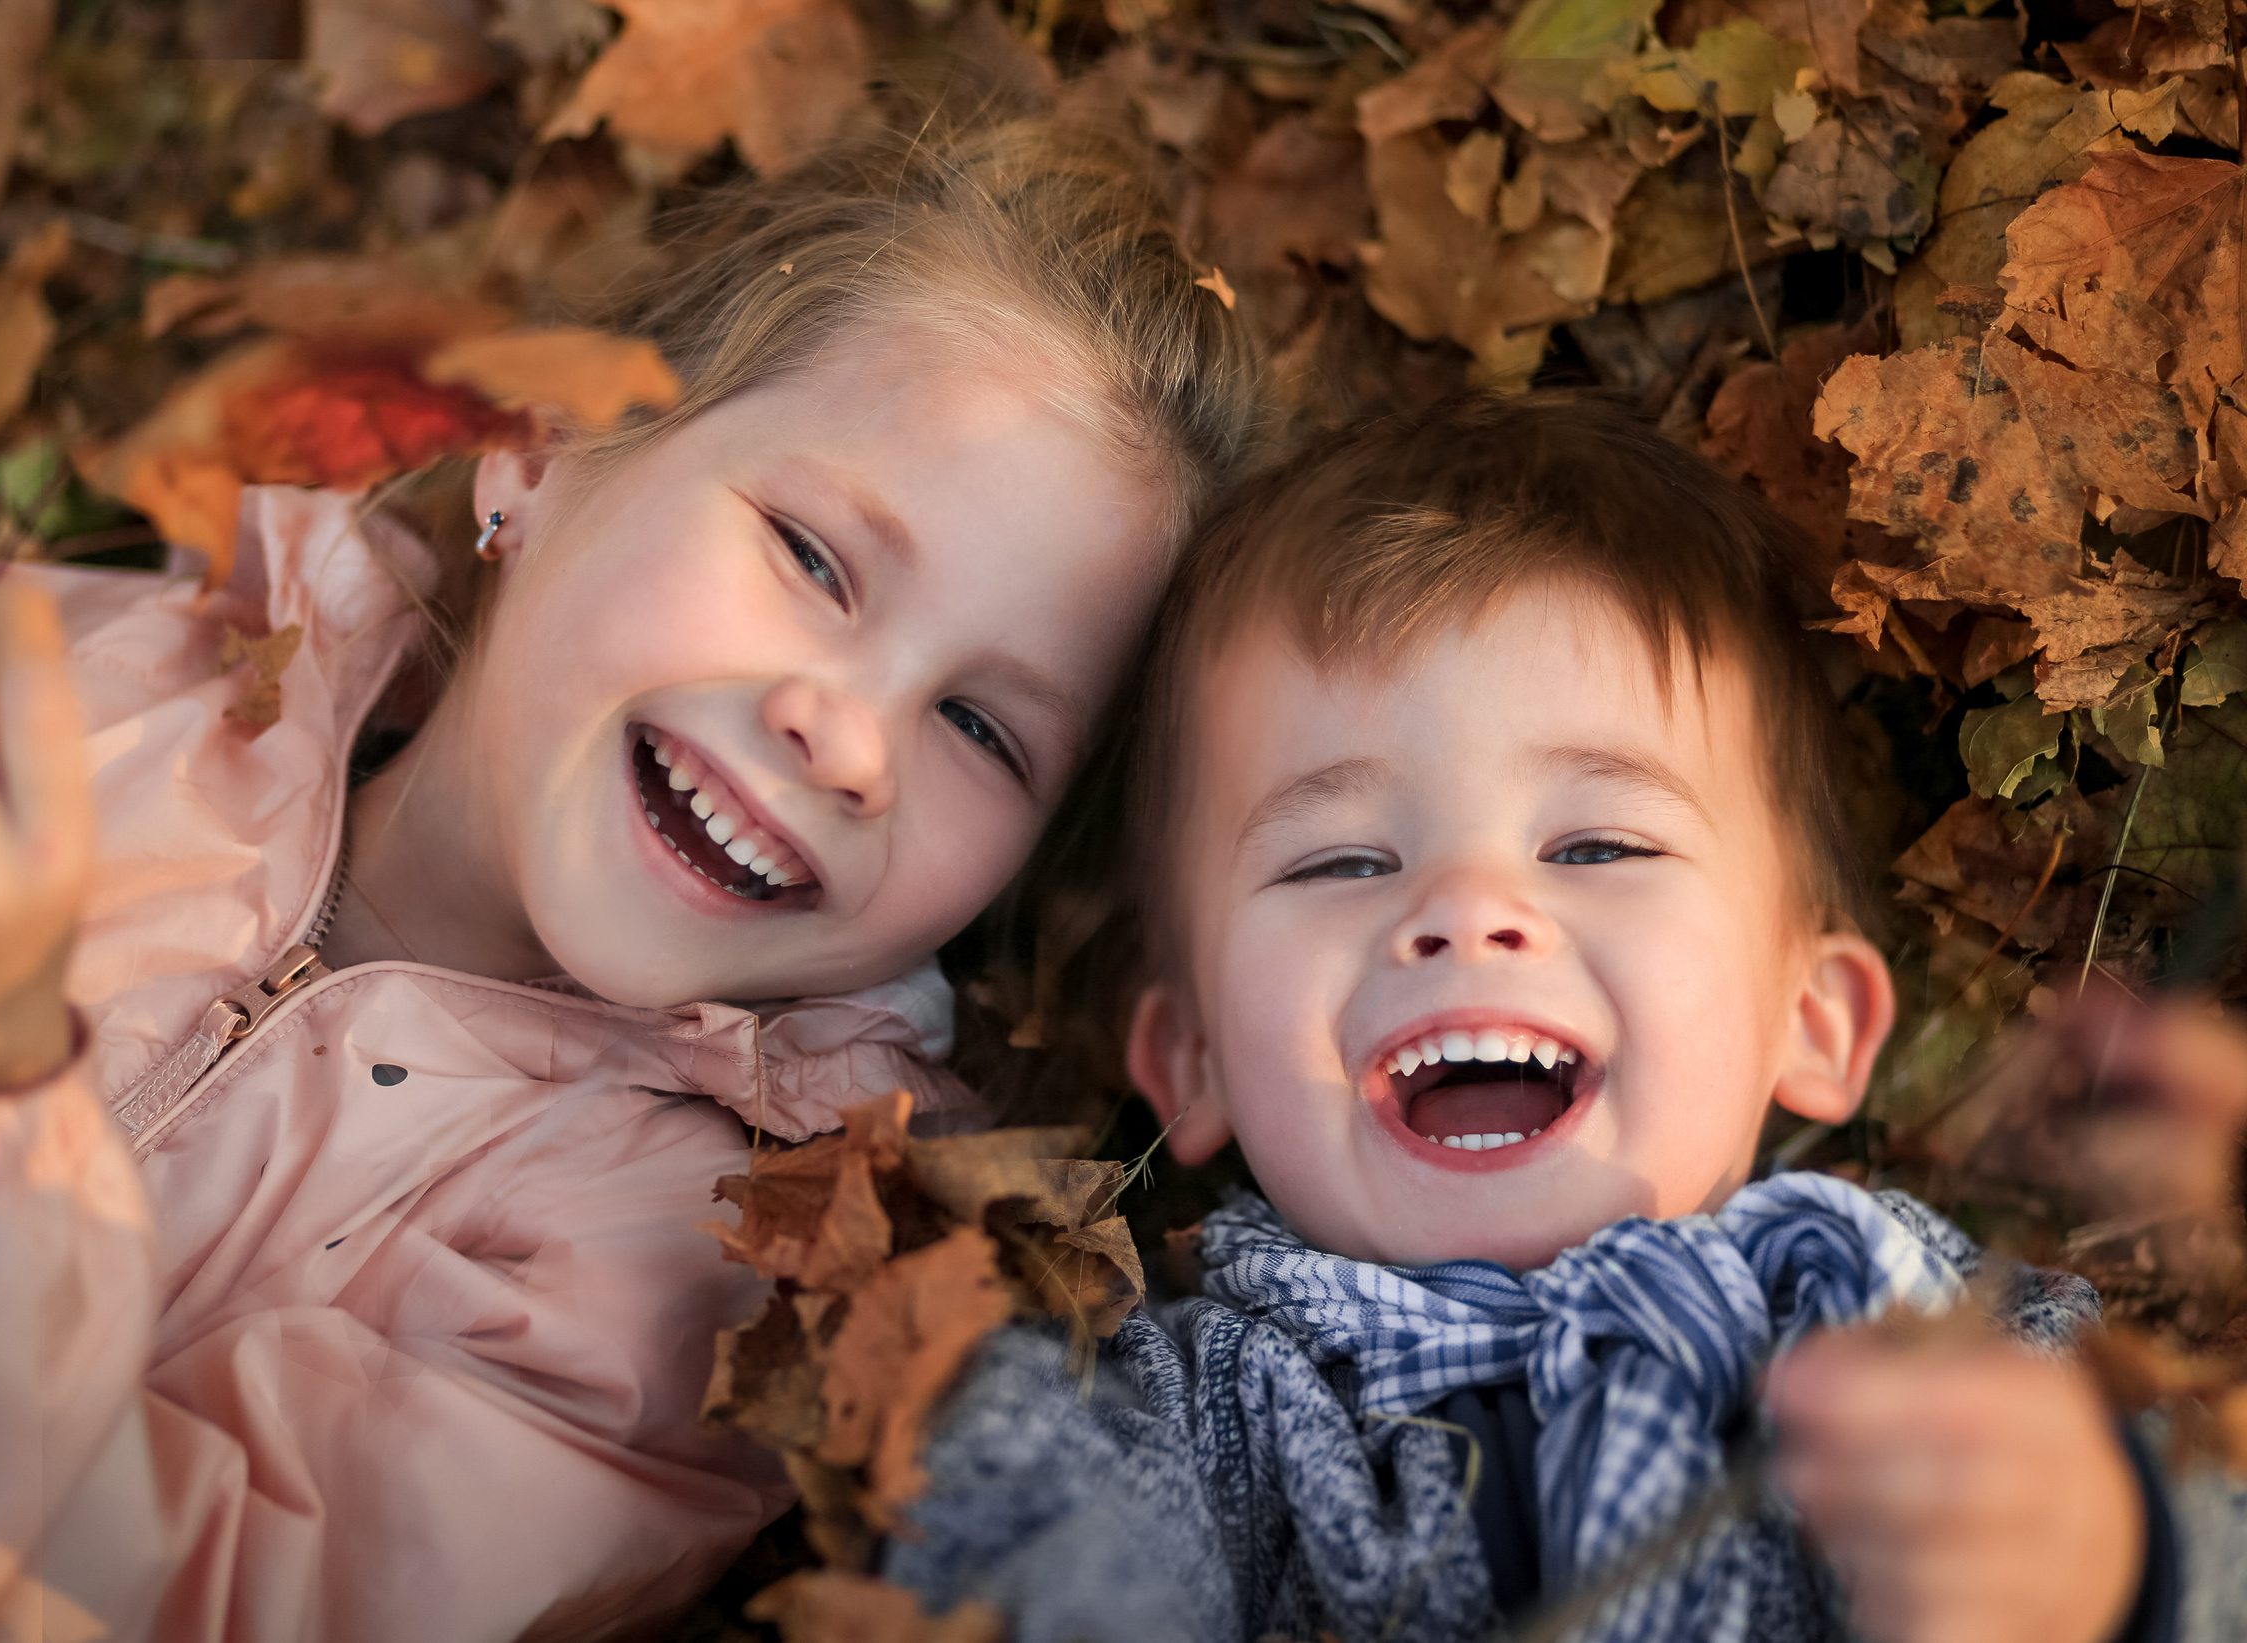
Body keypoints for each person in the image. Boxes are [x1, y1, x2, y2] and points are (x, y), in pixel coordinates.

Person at [0, 116, 1265, 1641]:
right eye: (813, 557)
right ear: (539, 455)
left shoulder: (682, 1268)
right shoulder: (69, 695)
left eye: (983, 726)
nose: (852, 738)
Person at [884, 396, 2247, 1643]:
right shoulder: (1187, 1419)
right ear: (1190, 1063)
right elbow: (1031, 1551)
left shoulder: (1920, 1327)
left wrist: (2115, 1565)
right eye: (1343, 862)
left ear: (1813, 1022)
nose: (1469, 912)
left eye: (1598, 846)